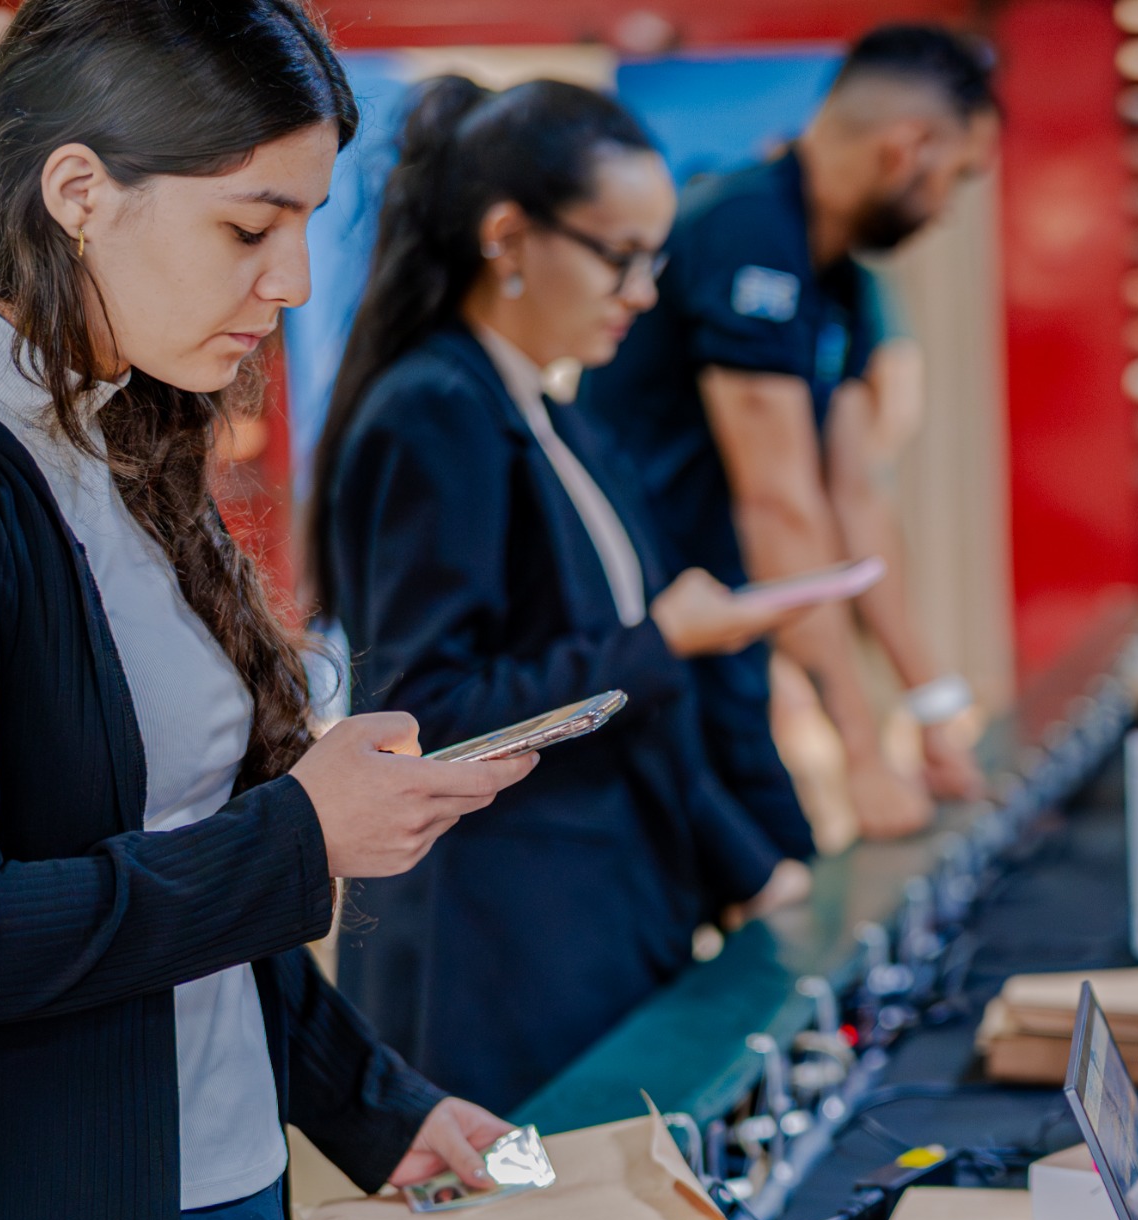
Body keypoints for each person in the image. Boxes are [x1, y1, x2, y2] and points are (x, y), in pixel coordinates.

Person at [0, 0, 534, 1220]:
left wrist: (378, 1104)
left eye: (309, 225)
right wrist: (298, 835)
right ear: (79, 191)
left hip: (226, 1185)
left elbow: (187, 873)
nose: (294, 282)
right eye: (254, 224)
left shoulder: (112, 440)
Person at [311, 79, 826, 1115]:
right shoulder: (435, 411)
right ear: (509, 237)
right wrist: (657, 643)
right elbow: (427, 713)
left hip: (603, 923)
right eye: (617, 254)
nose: (642, 291)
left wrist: (751, 861)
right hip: (497, 963)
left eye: (656, 258)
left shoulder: (561, 416)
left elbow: (629, 689)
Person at [584, 24, 999, 843]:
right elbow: (779, 504)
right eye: (958, 176)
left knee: (776, 849)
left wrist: (933, 706)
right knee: (757, 870)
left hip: (724, 630)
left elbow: (853, 499)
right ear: (907, 148)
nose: (950, 207)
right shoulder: (746, 231)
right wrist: (862, 754)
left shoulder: (834, 268)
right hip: (643, 641)